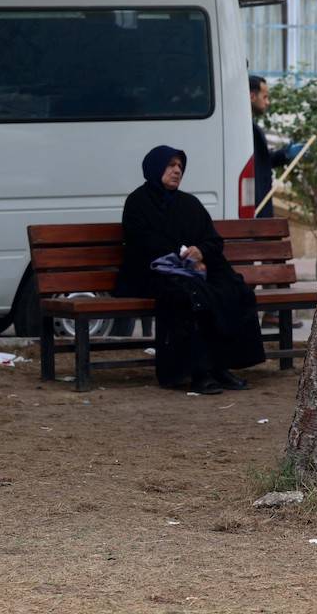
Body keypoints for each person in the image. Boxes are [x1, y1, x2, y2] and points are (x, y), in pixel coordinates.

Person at [115, 145, 265, 395]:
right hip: (153, 273)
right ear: (155, 167)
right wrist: (184, 257)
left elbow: (213, 240)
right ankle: (198, 371)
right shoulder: (138, 202)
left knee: (233, 288)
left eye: (180, 167)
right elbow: (143, 243)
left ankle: (221, 366)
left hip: (191, 270)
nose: (177, 171)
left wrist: (201, 252)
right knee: (193, 295)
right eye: (171, 165)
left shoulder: (189, 203)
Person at [250, 75, 304, 328]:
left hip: (259, 205)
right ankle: (271, 313)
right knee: (269, 255)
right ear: (251, 96)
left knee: (272, 255)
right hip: (254, 207)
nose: (268, 101)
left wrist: (284, 155)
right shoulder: (245, 128)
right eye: (265, 95)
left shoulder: (250, 128)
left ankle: (272, 313)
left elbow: (261, 163)